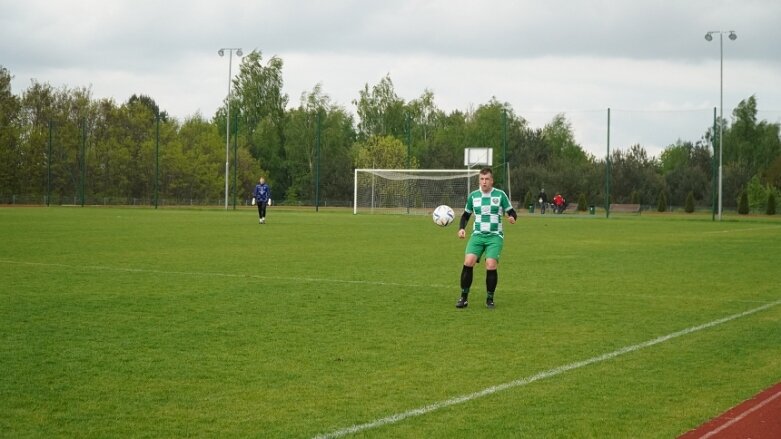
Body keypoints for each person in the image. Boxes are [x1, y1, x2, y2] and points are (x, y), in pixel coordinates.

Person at [456, 167, 517, 309]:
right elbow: (466, 215)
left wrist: (512, 217)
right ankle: (463, 298)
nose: (484, 182)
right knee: (468, 262)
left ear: (492, 180)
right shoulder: (473, 196)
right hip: (477, 235)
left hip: (495, 236)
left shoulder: (500, 195)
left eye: (487, 179)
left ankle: (490, 299)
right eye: (482, 179)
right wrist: (461, 229)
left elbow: (511, 211)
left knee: (490, 264)